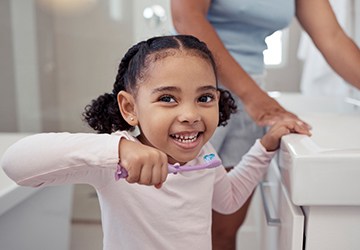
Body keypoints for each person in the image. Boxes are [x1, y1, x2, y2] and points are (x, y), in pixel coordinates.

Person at [0, 35, 311, 250]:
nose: (190, 114)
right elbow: (16, 162)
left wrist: (265, 146)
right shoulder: (116, 160)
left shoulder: (204, 154)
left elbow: (226, 200)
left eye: (204, 97)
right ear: (130, 108)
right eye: (167, 98)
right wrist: (116, 150)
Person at [170, 1, 360, 249]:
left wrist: (252, 97)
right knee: (177, 226)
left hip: (248, 93)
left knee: (224, 229)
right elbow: (186, 18)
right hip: (192, 92)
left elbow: (333, 38)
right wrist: (255, 98)